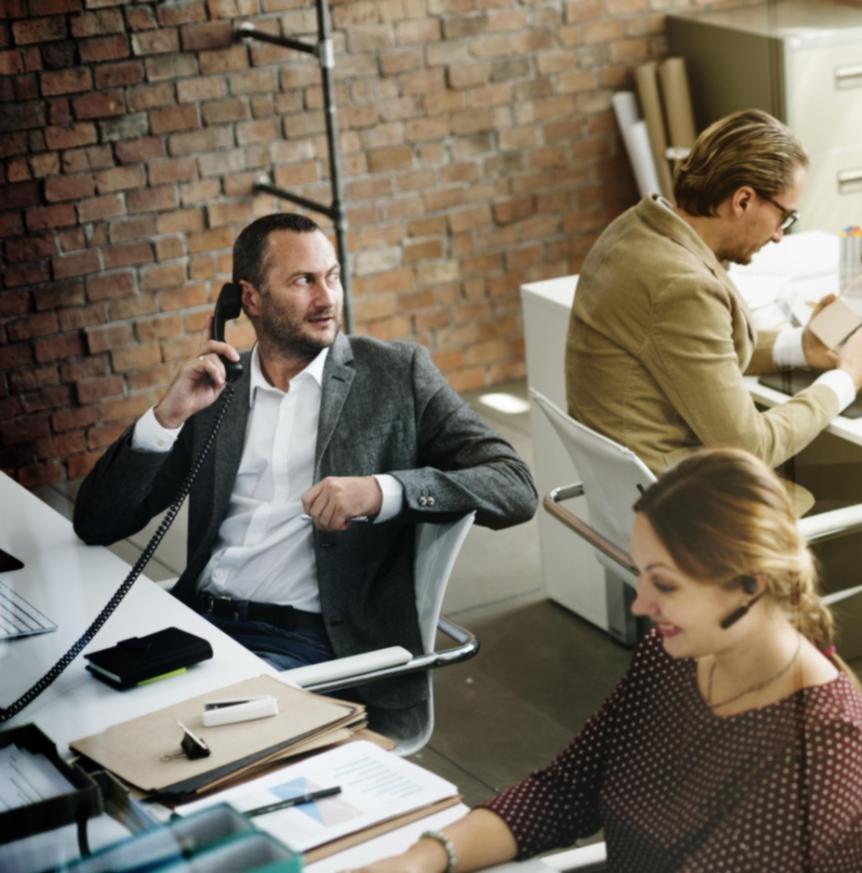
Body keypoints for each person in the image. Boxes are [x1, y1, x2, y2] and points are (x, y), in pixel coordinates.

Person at [73, 213, 537, 736]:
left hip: (307, 644)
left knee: (174, 744)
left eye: (332, 277)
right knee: (79, 720)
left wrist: (381, 492)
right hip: (195, 626)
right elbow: (97, 521)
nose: (327, 298)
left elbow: (514, 484)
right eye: (303, 281)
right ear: (248, 300)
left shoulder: (394, 374)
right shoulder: (217, 389)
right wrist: (167, 417)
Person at [356, 449, 862, 873]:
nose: (641, 604)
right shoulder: (673, 656)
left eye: (666, 584)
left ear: (749, 586)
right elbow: (563, 793)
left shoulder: (824, 740)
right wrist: (421, 859)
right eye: (642, 574)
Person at [564, 108, 862, 610]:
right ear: (743, 199)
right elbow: (748, 444)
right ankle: (820, 678)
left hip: (657, 498)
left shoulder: (637, 232)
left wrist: (797, 347)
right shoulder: (683, 285)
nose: (781, 234)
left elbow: (690, 347)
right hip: (710, 538)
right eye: (785, 216)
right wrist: (845, 380)